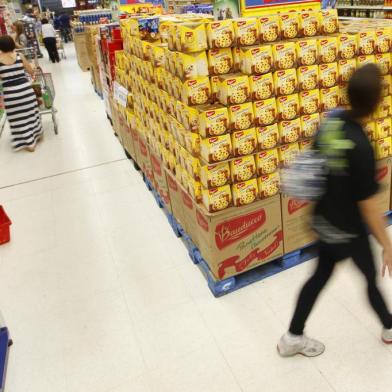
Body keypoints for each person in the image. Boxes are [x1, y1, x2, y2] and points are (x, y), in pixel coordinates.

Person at [278, 64, 392, 357]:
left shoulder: (331, 121)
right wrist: (387, 245)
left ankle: (292, 337)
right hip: (347, 230)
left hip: (322, 220)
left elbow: (315, 165)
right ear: (377, 103)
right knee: (368, 277)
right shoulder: (363, 147)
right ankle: (389, 327)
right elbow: (368, 207)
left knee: (319, 277)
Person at [0, 35, 43, 152]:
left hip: (10, 95)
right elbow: (30, 71)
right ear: (12, 44)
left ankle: (29, 143)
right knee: (30, 114)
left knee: (17, 118)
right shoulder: (20, 56)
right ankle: (36, 135)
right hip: (25, 91)